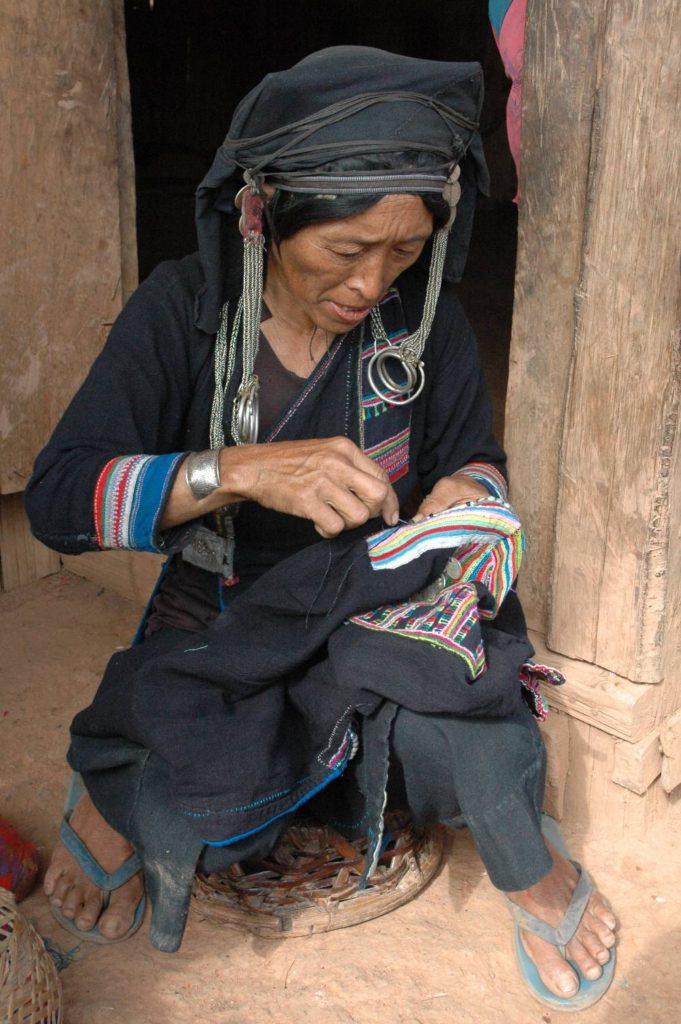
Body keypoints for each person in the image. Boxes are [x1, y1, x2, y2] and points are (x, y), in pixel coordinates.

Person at [26, 47, 616, 1010]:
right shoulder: (182, 313)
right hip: (225, 614)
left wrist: (461, 491)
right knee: (190, 740)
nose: (371, 283)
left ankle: (527, 869)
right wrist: (238, 472)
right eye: (345, 252)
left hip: (373, 602)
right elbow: (61, 497)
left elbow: (476, 457)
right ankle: (116, 801)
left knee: (468, 721)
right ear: (263, 217)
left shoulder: (420, 328)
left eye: (405, 252)